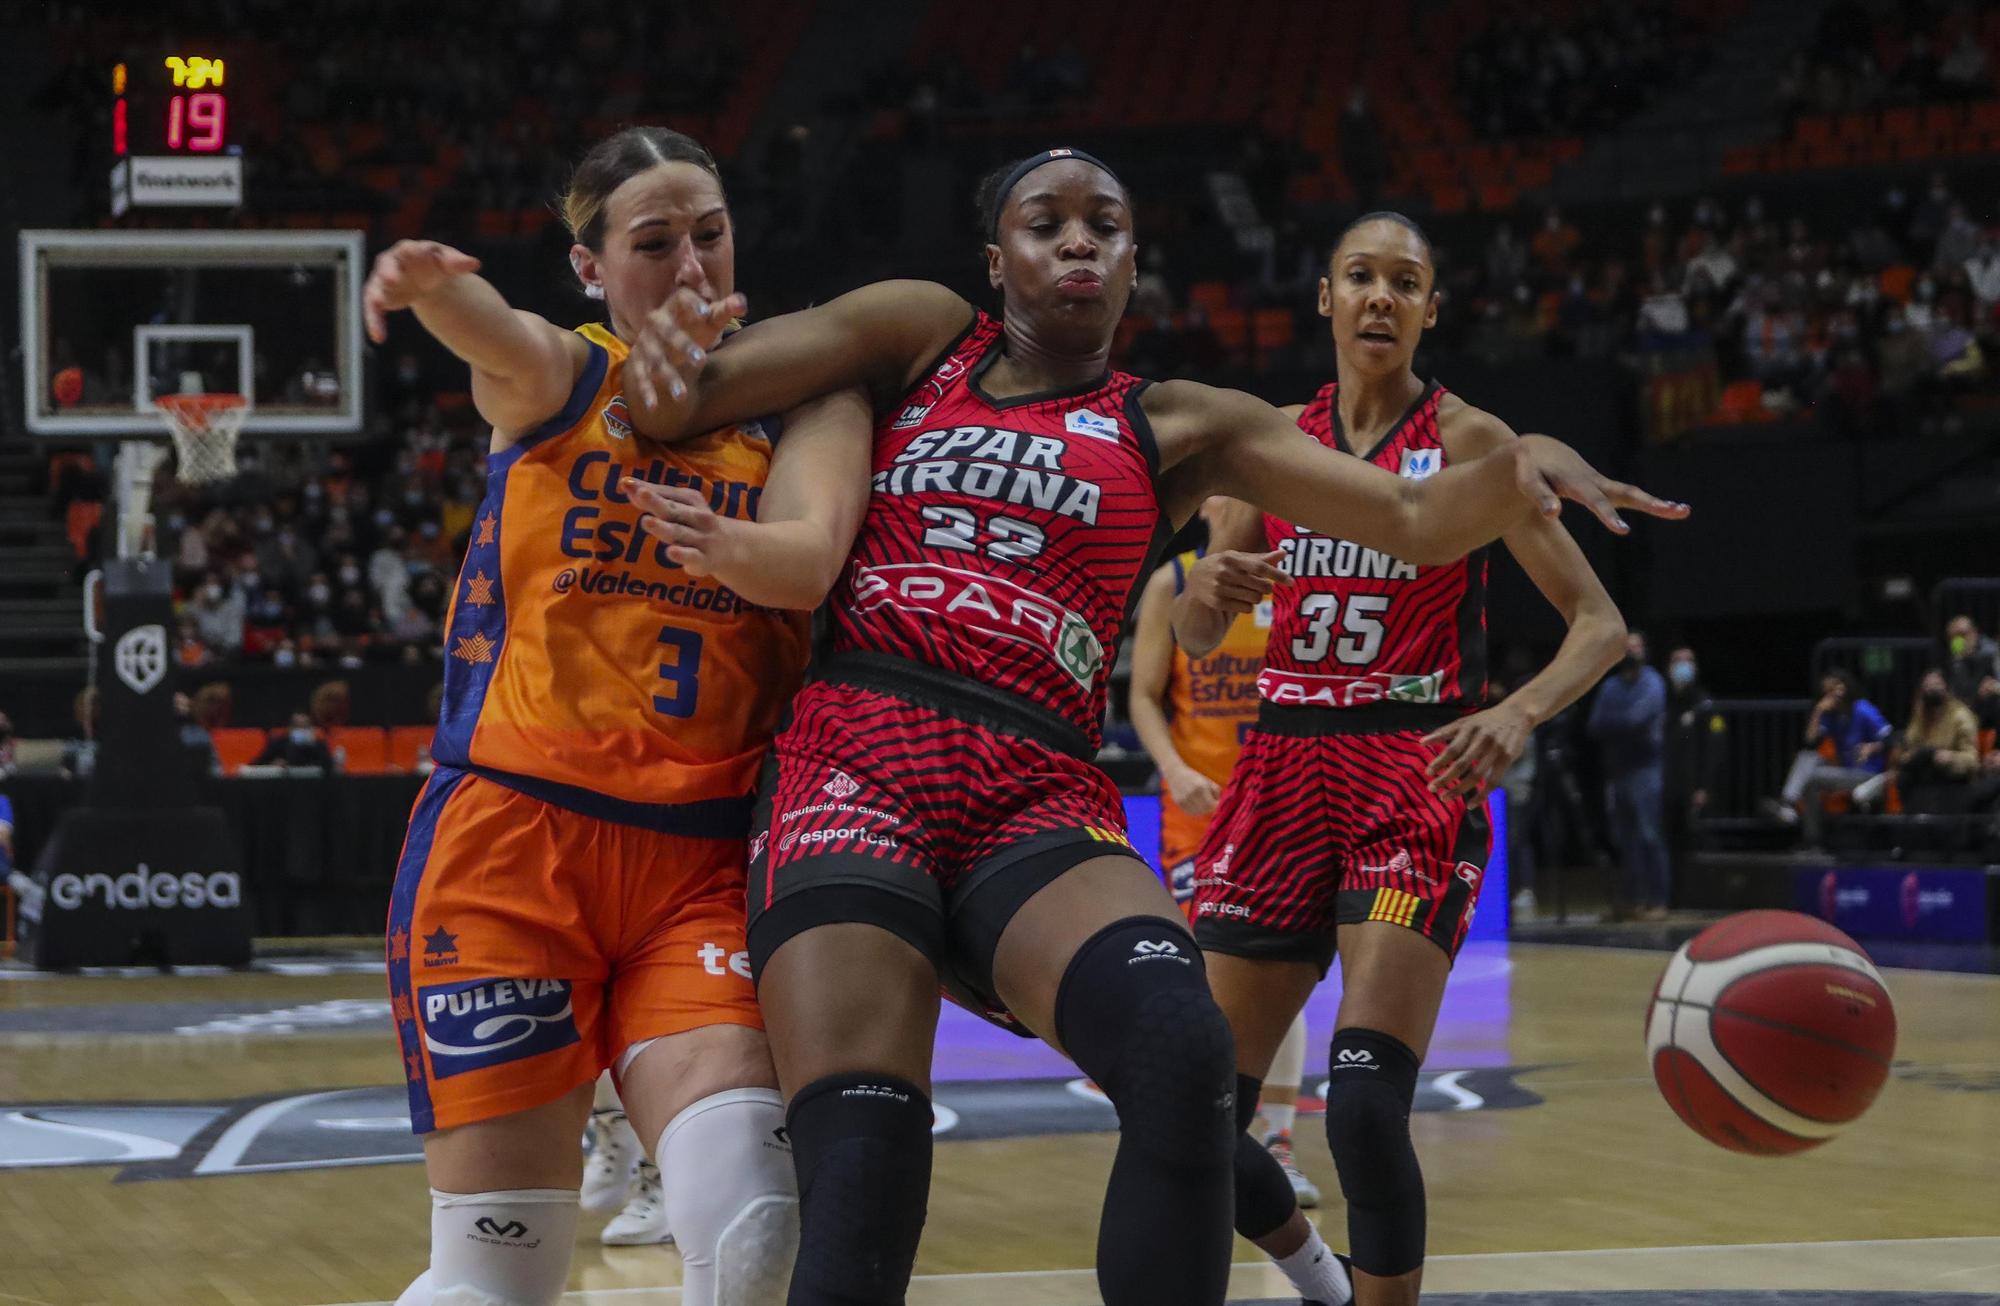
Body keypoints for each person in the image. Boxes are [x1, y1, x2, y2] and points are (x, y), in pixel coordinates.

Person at [617, 153, 1681, 1306]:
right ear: (995, 260)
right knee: (867, 1160)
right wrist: (666, 352)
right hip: (865, 744)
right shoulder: (923, 333)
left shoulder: (1181, 422)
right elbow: (685, 395)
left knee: (1184, 1054)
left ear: (1133, 263)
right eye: (1046, 223)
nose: (1077, 242)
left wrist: (1517, 465)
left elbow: (1417, 517)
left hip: (1037, 782)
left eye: (1105, 226)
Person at [363, 126, 872, 1306]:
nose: (691, 265)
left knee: (753, 1226)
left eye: (710, 234)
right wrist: (436, 289)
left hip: (699, 863)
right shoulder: (565, 380)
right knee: (499, 1273)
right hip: (509, 849)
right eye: (653, 244)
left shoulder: (799, 405)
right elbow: (500, 338)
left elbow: (806, 559)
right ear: (591, 267)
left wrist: (734, 542)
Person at [1174, 212, 1630, 1305]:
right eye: (1360, 278)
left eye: (1405, 282)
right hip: (1276, 771)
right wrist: (1201, 596)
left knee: (1367, 1105)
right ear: (1324, 299)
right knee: (1189, 1110)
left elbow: (1598, 622)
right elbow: (1193, 635)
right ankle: (1315, 1277)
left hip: (1402, 770)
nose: (1380, 297)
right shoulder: (1273, 439)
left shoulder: (1470, 442)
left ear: (1431, 308)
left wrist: (1515, 714)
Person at [1124, 495, 1318, 1210]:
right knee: (1202, 977)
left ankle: (1280, 1142)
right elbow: (1143, 696)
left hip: (1280, 803)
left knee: (1276, 973)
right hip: (1196, 813)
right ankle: (1208, 1136)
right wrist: (1173, 768)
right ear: (1205, 498)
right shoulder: (1173, 582)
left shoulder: (1298, 574)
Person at [1587, 632, 1671, 919]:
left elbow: (1638, 720)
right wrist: (1622, 722)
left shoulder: (1653, 682)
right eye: (1627, 646)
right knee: (1625, 839)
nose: (1631, 651)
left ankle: (1658, 900)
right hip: (1617, 771)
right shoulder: (1610, 686)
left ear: (1644, 650)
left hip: (1645, 769)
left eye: (1636, 646)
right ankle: (1634, 900)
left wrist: (1618, 722)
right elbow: (1595, 724)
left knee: (1649, 835)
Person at [1771, 668, 1891, 848]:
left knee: (1813, 778)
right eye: (1826, 692)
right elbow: (1810, 740)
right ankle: (1795, 814)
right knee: (1808, 758)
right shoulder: (1831, 716)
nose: (1831, 695)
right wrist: (1818, 710)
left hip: (1868, 774)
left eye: (1834, 689)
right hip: (1846, 771)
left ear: (1844, 688)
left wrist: (1872, 747)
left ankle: (1795, 813)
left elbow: (1892, 739)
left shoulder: (1862, 709)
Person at [1854, 669, 1982, 812]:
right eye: (1927, 685)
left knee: (1929, 755)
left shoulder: (1961, 716)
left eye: (1936, 684)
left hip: (1951, 780)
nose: (1932, 688)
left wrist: (1950, 758)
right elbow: (1909, 745)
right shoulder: (1920, 716)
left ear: (1946, 687)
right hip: (1921, 777)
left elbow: (1972, 760)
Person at [1663, 645, 1723, 888]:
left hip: (1695, 787)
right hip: (1669, 787)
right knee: (1670, 843)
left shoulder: (1705, 704)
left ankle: (1702, 891)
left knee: (1698, 841)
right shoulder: (1664, 702)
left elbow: (1715, 750)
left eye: (1688, 661)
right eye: (1677, 661)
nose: (1682, 667)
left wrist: (1704, 787)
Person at [252, 712, 340, 771]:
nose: (302, 731)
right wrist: (272, 764)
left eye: (305, 727)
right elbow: (256, 764)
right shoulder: (279, 743)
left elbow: (329, 766)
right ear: (290, 728)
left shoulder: (319, 744)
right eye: (298, 727)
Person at [1946, 614, 2000, 704]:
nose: (1959, 640)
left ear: (1974, 632)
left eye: (1963, 634)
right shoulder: (1956, 662)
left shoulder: (1991, 653)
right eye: (1954, 637)